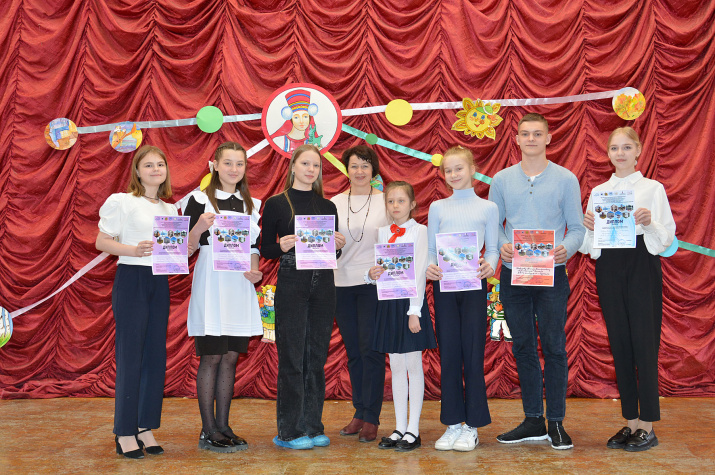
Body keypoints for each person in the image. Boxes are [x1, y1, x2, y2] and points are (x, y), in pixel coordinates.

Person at [488, 113, 585, 450]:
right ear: (516, 139)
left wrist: (567, 248)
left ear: (548, 138)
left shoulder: (566, 179)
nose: (531, 138)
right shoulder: (501, 179)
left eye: (537, 133)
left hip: (551, 274)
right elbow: (494, 224)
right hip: (513, 274)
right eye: (525, 133)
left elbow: (577, 228)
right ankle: (533, 420)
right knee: (523, 347)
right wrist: (502, 244)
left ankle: (556, 421)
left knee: (555, 347)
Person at [579, 127, 675, 452]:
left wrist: (649, 222)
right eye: (614, 148)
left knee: (644, 344)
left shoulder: (653, 189)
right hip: (609, 266)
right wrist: (589, 228)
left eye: (626, 147)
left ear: (638, 151)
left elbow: (666, 238)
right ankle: (631, 422)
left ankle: (648, 425)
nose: (620, 153)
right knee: (619, 343)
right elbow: (589, 248)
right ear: (608, 153)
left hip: (641, 263)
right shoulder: (599, 192)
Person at [261, 144, 346, 449]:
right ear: (293, 166)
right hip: (292, 278)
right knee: (292, 358)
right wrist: (281, 246)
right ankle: (289, 432)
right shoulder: (276, 203)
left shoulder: (328, 206)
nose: (311, 170)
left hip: (324, 282)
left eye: (316, 165)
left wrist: (338, 245)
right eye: (305, 164)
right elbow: (265, 248)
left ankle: (312, 426)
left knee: (316, 358)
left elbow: (331, 252)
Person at [95, 145, 176, 459]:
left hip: (160, 281)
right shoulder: (123, 201)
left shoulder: (170, 210)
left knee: (155, 355)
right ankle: (125, 431)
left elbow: (173, 251)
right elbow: (101, 241)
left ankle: (145, 426)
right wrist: (133, 250)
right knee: (131, 356)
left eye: (160, 164)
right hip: (131, 279)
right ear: (138, 172)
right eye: (149, 165)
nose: (156, 169)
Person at [182, 142, 264, 453]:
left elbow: (253, 247)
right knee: (212, 356)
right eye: (227, 162)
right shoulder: (199, 199)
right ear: (214, 164)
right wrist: (197, 228)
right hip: (211, 283)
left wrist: (255, 270)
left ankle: (224, 426)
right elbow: (182, 249)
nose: (233, 169)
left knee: (230, 356)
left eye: (239, 164)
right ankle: (208, 430)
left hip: (238, 285)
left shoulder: (251, 204)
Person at [426, 147, 499, 451]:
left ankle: (472, 426)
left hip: (473, 285)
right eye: (448, 170)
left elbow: (492, 249)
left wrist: (489, 265)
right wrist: (430, 267)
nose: (454, 174)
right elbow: (431, 250)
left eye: (459, 168)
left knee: (472, 353)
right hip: (444, 286)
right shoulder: (437, 207)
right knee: (450, 354)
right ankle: (453, 423)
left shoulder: (488, 208)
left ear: (472, 169)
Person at [367, 181, 437, 452]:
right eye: (390, 201)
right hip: (388, 303)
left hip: (409, 305)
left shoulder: (420, 231)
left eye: (400, 201)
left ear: (412, 204)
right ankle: (399, 427)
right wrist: (371, 275)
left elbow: (419, 272)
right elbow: (382, 270)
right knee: (396, 366)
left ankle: (413, 430)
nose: (395, 206)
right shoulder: (382, 232)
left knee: (413, 365)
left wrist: (414, 312)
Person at [331, 145, 389, 443]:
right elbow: (322, 246)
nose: (360, 171)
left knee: (371, 351)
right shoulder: (334, 202)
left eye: (365, 165)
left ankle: (372, 418)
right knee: (354, 352)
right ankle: (359, 412)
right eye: (354, 165)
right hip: (340, 284)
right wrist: (331, 242)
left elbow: (397, 241)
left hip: (373, 285)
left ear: (374, 169)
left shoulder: (385, 201)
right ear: (347, 169)